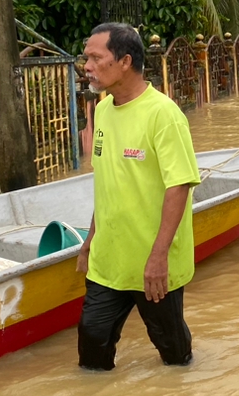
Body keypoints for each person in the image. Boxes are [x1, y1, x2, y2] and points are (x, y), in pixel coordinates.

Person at [76, 23, 201, 371]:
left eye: (96, 58)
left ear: (125, 61)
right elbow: (108, 182)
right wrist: (90, 241)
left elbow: (179, 185)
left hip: (153, 264)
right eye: (86, 58)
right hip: (108, 261)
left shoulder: (163, 114)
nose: (87, 66)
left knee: (173, 354)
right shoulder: (101, 111)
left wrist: (159, 256)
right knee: (92, 346)